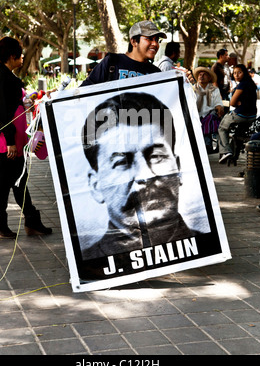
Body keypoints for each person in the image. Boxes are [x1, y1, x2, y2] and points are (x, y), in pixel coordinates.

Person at [81, 92, 201, 260]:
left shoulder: (208, 247)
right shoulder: (88, 267)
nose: (144, 176)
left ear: (178, 169)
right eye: (122, 162)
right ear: (96, 185)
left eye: (157, 157)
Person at [0, 36, 52, 238]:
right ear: (12, 57)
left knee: (19, 179)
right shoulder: (2, 79)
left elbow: (12, 106)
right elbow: (3, 113)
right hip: (8, 141)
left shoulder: (4, 77)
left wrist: (26, 102)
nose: (22, 58)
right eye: (20, 55)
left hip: (14, 140)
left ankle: (31, 221)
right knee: (7, 180)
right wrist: (11, 142)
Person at [80, 21, 166, 86]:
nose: (155, 44)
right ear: (134, 41)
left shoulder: (156, 73)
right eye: (149, 38)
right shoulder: (112, 62)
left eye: (157, 40)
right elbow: (85, 91)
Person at [218, 64, 257, 164]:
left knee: (222, 128)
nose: (236, 75)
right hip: (252, 116)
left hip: (241, 115)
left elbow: (232, 103)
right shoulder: (251, 84)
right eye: (234, 73)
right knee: (237, 132)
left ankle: (226, 151)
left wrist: (236, 102)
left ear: (244, 73)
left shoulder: (242, 84)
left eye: (239, 72)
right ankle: (233, 154)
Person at [193, 67, 224, 154]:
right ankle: (207, 145)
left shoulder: (214, 90)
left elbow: (218, 103)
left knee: (208, 120)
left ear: (209, 78)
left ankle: (208, 145)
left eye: (204, 75)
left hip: (210, 115)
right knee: (202, 122)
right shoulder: (192, 89)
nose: (201, 77)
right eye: (200, 75)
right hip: (196, 115)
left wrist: (219, 108)